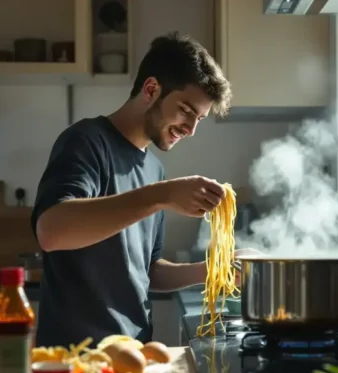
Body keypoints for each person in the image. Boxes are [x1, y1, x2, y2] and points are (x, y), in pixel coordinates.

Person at [31, 32, 238, 348]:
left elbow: (150, 272)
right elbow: (51, 231)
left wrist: (217, 268)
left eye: (199, 118)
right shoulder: (86, 141)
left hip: (136, 350)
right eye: (185, 109)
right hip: (78, 356)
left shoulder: (154, 169)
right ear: (151, 89)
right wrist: (162, 195)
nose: (191, 129)